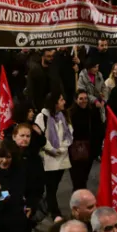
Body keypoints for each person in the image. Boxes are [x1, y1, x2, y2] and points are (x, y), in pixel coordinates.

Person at [37, 92, 74, 220]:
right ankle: (55, 213)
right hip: (49, 158)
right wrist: (52, 149)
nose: (64, 102)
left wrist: (62, 148)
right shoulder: (42, 117)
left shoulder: (64, 115)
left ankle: (47, 205)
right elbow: (40, 137)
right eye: (61, 100)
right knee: (51, 187)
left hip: (62, 158)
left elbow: (69, 133)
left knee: (54, 186)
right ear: (54, 103)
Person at [67, 89, 104, 191]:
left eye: (86, 98)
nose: (84, 101)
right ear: (75, 100)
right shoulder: (70, 113)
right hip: (73, 150)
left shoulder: (93, 112)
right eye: (81, 99)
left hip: (89, 150)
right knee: (76, 179)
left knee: (84, 178)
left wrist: (97, 149)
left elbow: (98, 130)